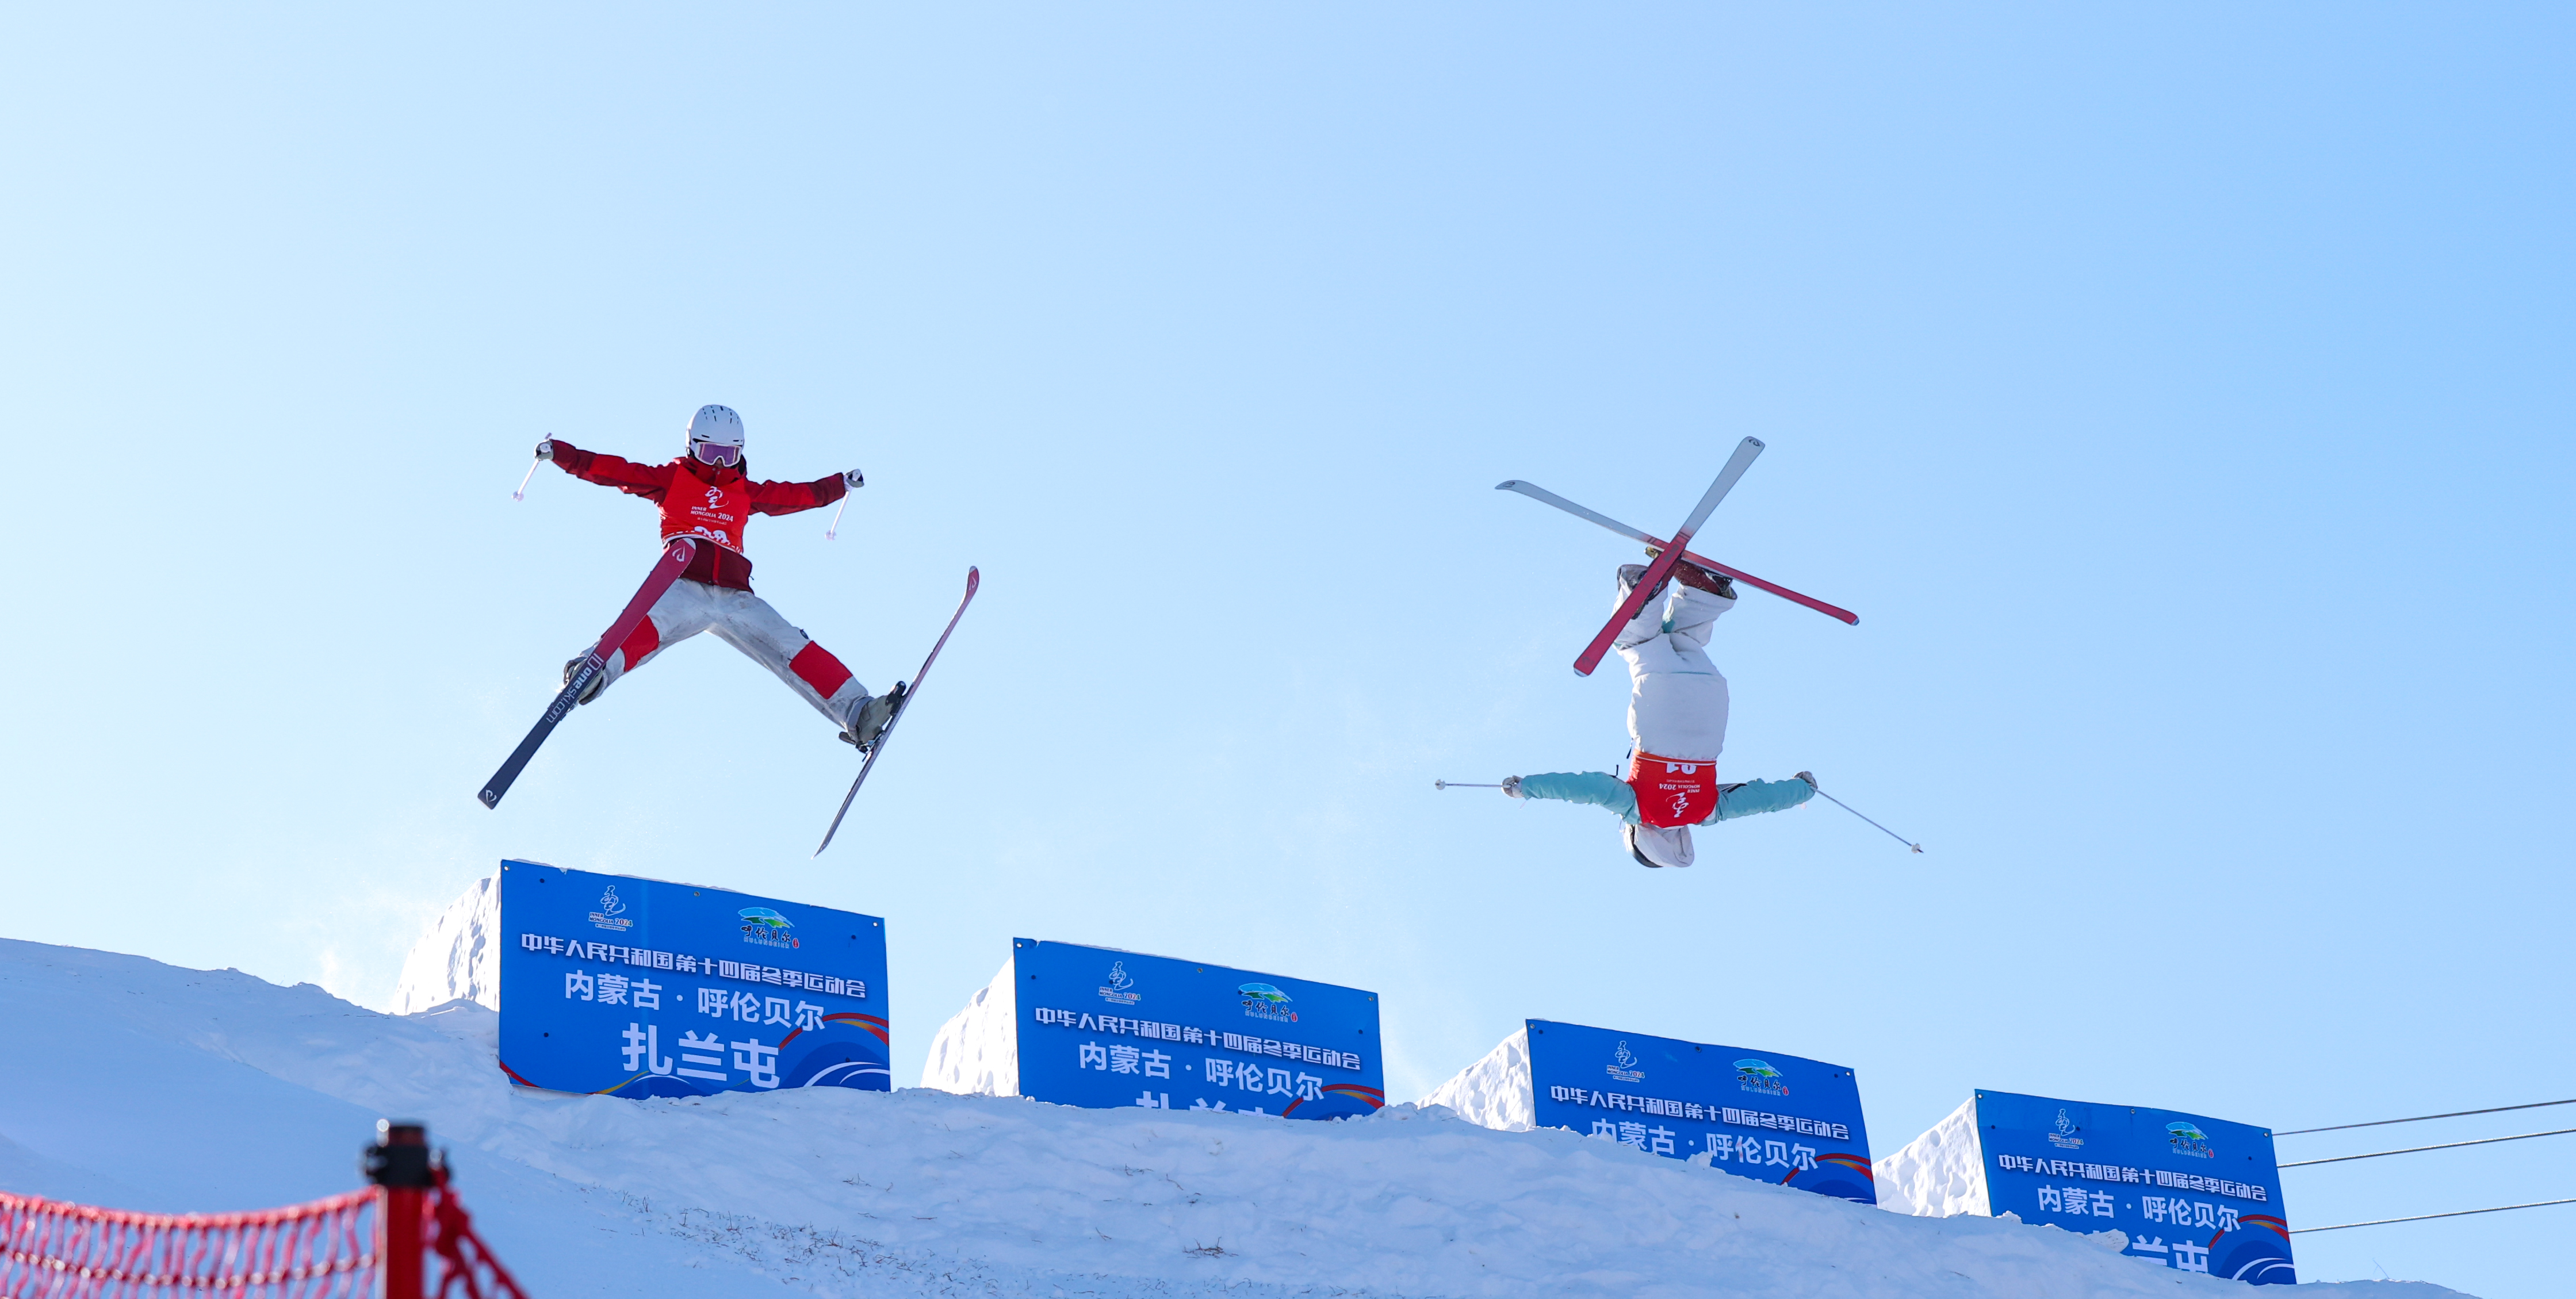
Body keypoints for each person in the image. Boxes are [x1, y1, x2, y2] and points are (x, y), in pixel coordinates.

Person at [534, 404, 895, 747]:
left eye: (729, 453)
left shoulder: (744, 492)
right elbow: (614, 471)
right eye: (710, 454)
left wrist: (839, 485)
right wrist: (563, 454)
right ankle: (594, 669)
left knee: (792, 646)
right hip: (684, 585)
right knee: (645, 627)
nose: (720, 463)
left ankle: (859, 713)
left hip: (736, 597)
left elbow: (796, 496)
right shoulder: (672, 478)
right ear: (693, 448)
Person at [1502, 561, 1816, 867]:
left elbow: (1760, 800)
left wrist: (1803, 790)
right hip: (1662, 707)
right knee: (1635, 644)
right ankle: (1642, 591)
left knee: (1684, 640)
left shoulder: (1706, 812)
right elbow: (1586, 789)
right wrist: (1527, 787)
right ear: (1639, 839)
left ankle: (1706, 593)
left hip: (1710, 697)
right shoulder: (1637, 810)